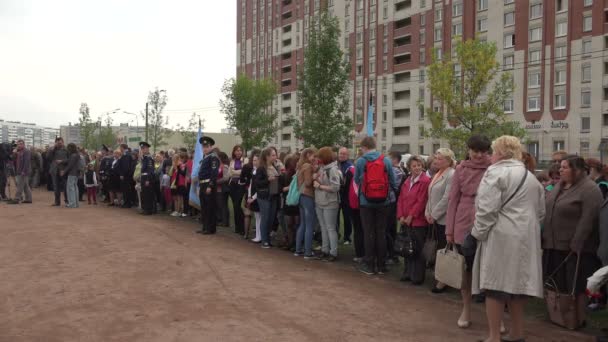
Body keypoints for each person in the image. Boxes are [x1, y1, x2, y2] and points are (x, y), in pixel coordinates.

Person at [471, 136, 545, 342]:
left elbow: (486, 210)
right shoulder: (530, 176)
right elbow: (540, 212)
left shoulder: (495, 173)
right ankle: (517, 333)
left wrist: (477, 233)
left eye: (493, 152)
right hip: (526, 238)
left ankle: (494, 337)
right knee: (518, 287)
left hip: (501, 236)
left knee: (495, 287)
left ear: (501, 153)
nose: (490, 156)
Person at [543, 155, 603, 327]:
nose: (560, 170)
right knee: (556, 284)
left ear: (577, 170)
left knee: (574, 286)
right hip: (553, 244)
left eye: (565, 167)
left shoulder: (590, 189)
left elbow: (588, 219)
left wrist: (577, 242)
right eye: (560, 167)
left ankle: (575, 318)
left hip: (574, 249)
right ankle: (557, 315)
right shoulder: (559, 186)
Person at [445, 135, 492, 329]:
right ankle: (466, 308)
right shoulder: (460, 169)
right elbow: (453, 199)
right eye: (475, 150)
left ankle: (494, 318)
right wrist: (449, 229)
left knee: (490, 270)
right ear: (469, 150)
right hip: (463, 221)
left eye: (483, 151)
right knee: (465, 269)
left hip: (488, 220)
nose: (479, 155)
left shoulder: (494, 168)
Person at [355, 137, 396, 275]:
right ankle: (381, 265)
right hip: (383, 201)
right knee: (381, 232)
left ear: (364, 147)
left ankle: (369, 264)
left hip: (366, 202)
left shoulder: (361, 161)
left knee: (368, 233)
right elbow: (392, 180)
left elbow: (356, 180)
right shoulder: (386, 160)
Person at [396, 155, 430, 284]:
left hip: (418, 221)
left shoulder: (425, 181)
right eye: (414, 166)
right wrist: (401, 216)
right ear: (409, 168)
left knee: (417, 249)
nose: (417, 168)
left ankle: (417, 276)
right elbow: (400, 200)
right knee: (406, 247)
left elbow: (421, 201)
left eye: (419, 165)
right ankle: (407, 273)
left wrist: (411, 216)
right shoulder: (407, 180)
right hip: (405, 220)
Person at [426, 147, 455, 293]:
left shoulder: (451, 174)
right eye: (436, 158)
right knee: (438, 248)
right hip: (434, 218)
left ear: (448, 161)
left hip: (444, 219)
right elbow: (431, 195)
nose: (436, 161)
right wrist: (428, 212)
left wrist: (434, 214)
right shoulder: (438, 173)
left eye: (440, 158)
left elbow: (447, 198)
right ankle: (440, 276)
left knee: (444, 249)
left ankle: (443, 281)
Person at [313, 147, 342, 262]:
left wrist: (320, 186)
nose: (318, 159)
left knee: (330, 228)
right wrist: (316, 179)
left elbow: (335, 187)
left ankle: (333, 252)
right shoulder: (322, 168)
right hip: (320, 201)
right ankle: (325, 250)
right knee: (323, 227)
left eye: (320, 157)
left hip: (330, 202)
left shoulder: (332, 169)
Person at [254, 147, 280, 249]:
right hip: (264, 196)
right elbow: (257, 183)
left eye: (275, 155)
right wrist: (268, 180)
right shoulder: (261, 168)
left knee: (271, 218)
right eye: (273, 155)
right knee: (265, 218)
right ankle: (264, 240)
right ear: (267, 156)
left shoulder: (274, 166)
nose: (275, 157)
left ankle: (267, 239)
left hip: (273, 195)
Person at [294, 148, 317, 259]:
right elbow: (308, 183)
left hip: (301, 197)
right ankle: (308, 252)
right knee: (309, 225)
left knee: (302, 224)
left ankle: (298, 249)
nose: (315, 158)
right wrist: (314, 176)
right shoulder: (307, 166)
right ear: (308, 155)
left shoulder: (300, 166)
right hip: (308, 196)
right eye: (313, 155)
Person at [197, 136, 220, 235]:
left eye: (207, 146)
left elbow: (214, 173)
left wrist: (210, 186)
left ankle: (210, 228)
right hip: (202, 184)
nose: (205, 148)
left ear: (211, 147)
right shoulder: (205, 158)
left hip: (208, 184)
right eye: (203, 147)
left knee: (210, 207)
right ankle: (205, 227)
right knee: (204, 207)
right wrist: (199, 186)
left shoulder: (213, 157)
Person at [387, 151, 405, 265]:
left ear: (395, 160)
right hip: (392, 202)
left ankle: (392, 254)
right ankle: (392, 254)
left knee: (389, 229)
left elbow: (389, 186)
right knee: (390, 228)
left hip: (391, 202)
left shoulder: (396, 171)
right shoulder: (398, 171)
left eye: (389, 158)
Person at [280, 155, 299, 251]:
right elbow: (281, 189)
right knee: (292, 225)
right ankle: (292, 243)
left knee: (292, 225)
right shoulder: (286, 175)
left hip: (292, 202)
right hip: (291, 202)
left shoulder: (297, 175)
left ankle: (293, 243)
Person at [229, 145, 247, 235]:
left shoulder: (245, 160)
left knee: (237, 205)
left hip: (241, 185)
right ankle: (237, 227)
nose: (238, 152)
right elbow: (230, 173)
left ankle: (243, 227)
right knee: (235, 206)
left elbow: (243, 172)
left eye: (240, 150)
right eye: (237, 150)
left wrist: (236, 172)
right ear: (234, 152)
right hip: (232, 185)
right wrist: (238, 171)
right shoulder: (232, 161)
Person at [243, 151, 261, 241]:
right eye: (253, 160)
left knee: (260, 217)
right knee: (257, 217)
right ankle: (258, 236)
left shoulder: (260, 171)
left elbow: (259, 187)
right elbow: (250, 184)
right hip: (252, 197)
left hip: (258, 197)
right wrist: (249, 196)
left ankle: (260, 236)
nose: (254, 162)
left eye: (256, 160)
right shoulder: (253, 171)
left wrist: (253, 197)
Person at [337, 147, 353, 244]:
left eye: (344, 154)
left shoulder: (350, 166)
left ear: (347, 155)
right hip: (337, 195)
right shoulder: (336, 164)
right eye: (340, 153)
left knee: (347, 218)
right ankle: (336, 235)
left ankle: (347, 237)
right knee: (336, 217)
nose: (341, 155)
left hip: (347, 196)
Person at [48, 137, 68, 206]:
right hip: (54, 170)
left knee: (65, 187)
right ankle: (57, 201)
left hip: (63, 170)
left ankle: (67, 201)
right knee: (56, 187)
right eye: (58, 143)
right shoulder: (52, 150)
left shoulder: (66, 150)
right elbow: (48, 158)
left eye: (60, 142)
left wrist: (62, 161)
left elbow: (70, 160)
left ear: (63, 142)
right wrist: (52, 149)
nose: (59, 144)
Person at [62, 143, 82, 208]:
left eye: (68, 148)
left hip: (72, 173)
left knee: (70, 189)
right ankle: (76, 203)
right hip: (76, 173)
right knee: (75, 188)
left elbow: (70, 165)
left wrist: (64, 172)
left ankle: (72, 204)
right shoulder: (77, 155)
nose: (67, 149)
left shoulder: (73, 155)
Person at [138, 142, 156, 215]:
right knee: (144, 194)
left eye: (144, 148)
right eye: (142, 149)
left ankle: (148, 210)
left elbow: (150, 170)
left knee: (148, 194)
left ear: (147, 149)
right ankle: (145, 208)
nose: (142, 150)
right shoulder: (144, 158)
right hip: (143, 177)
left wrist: (148, 179)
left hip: (147, 178)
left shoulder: (149, 158)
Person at [13, 139, 32, 204]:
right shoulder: (18, 151)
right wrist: (14, 153)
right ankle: (29, 199)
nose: (19, 145)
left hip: (24, 171)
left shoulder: (27, 151)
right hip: (18, 170)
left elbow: (26, 162)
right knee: (26, 185)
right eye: (18, 144)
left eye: (20, 144)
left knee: (20, 185)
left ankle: (17, 198)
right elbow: (13, 160)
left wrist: (23, 171)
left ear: (24, 144)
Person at [216, 152, 230, 226]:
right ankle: (219, 219)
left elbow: (226, 178)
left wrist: (217, 181)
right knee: (219, 205)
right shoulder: (218, 166)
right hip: (217, 189)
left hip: (223, 188)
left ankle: (225, 221)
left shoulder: (224, 166)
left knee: (223, 205)